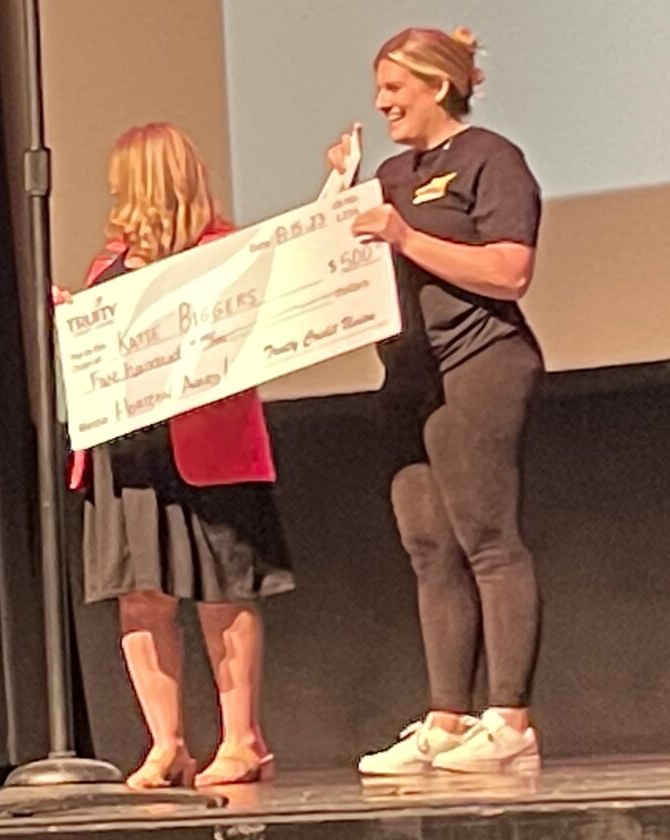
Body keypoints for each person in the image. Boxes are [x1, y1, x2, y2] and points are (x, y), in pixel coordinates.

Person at [327, 28, 545, 775]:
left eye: (394, 88)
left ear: (438, 86)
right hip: (410, 377)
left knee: (488, 537)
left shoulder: (490, 157)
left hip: (480, 359)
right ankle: (447, 721)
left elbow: (510, 271)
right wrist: (337, 198)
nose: (381, 102)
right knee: (428, 546)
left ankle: (510, 722)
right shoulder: (391, 173)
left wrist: (406, 236)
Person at [63, 123, 295, 789]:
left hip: (205, 446)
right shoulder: (109, 262)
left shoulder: (224, 253)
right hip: (129, 453)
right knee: (141, 597)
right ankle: (167, 745)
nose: (114, 193)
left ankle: (243, 740)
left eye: (123, 181)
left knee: (221, 591)